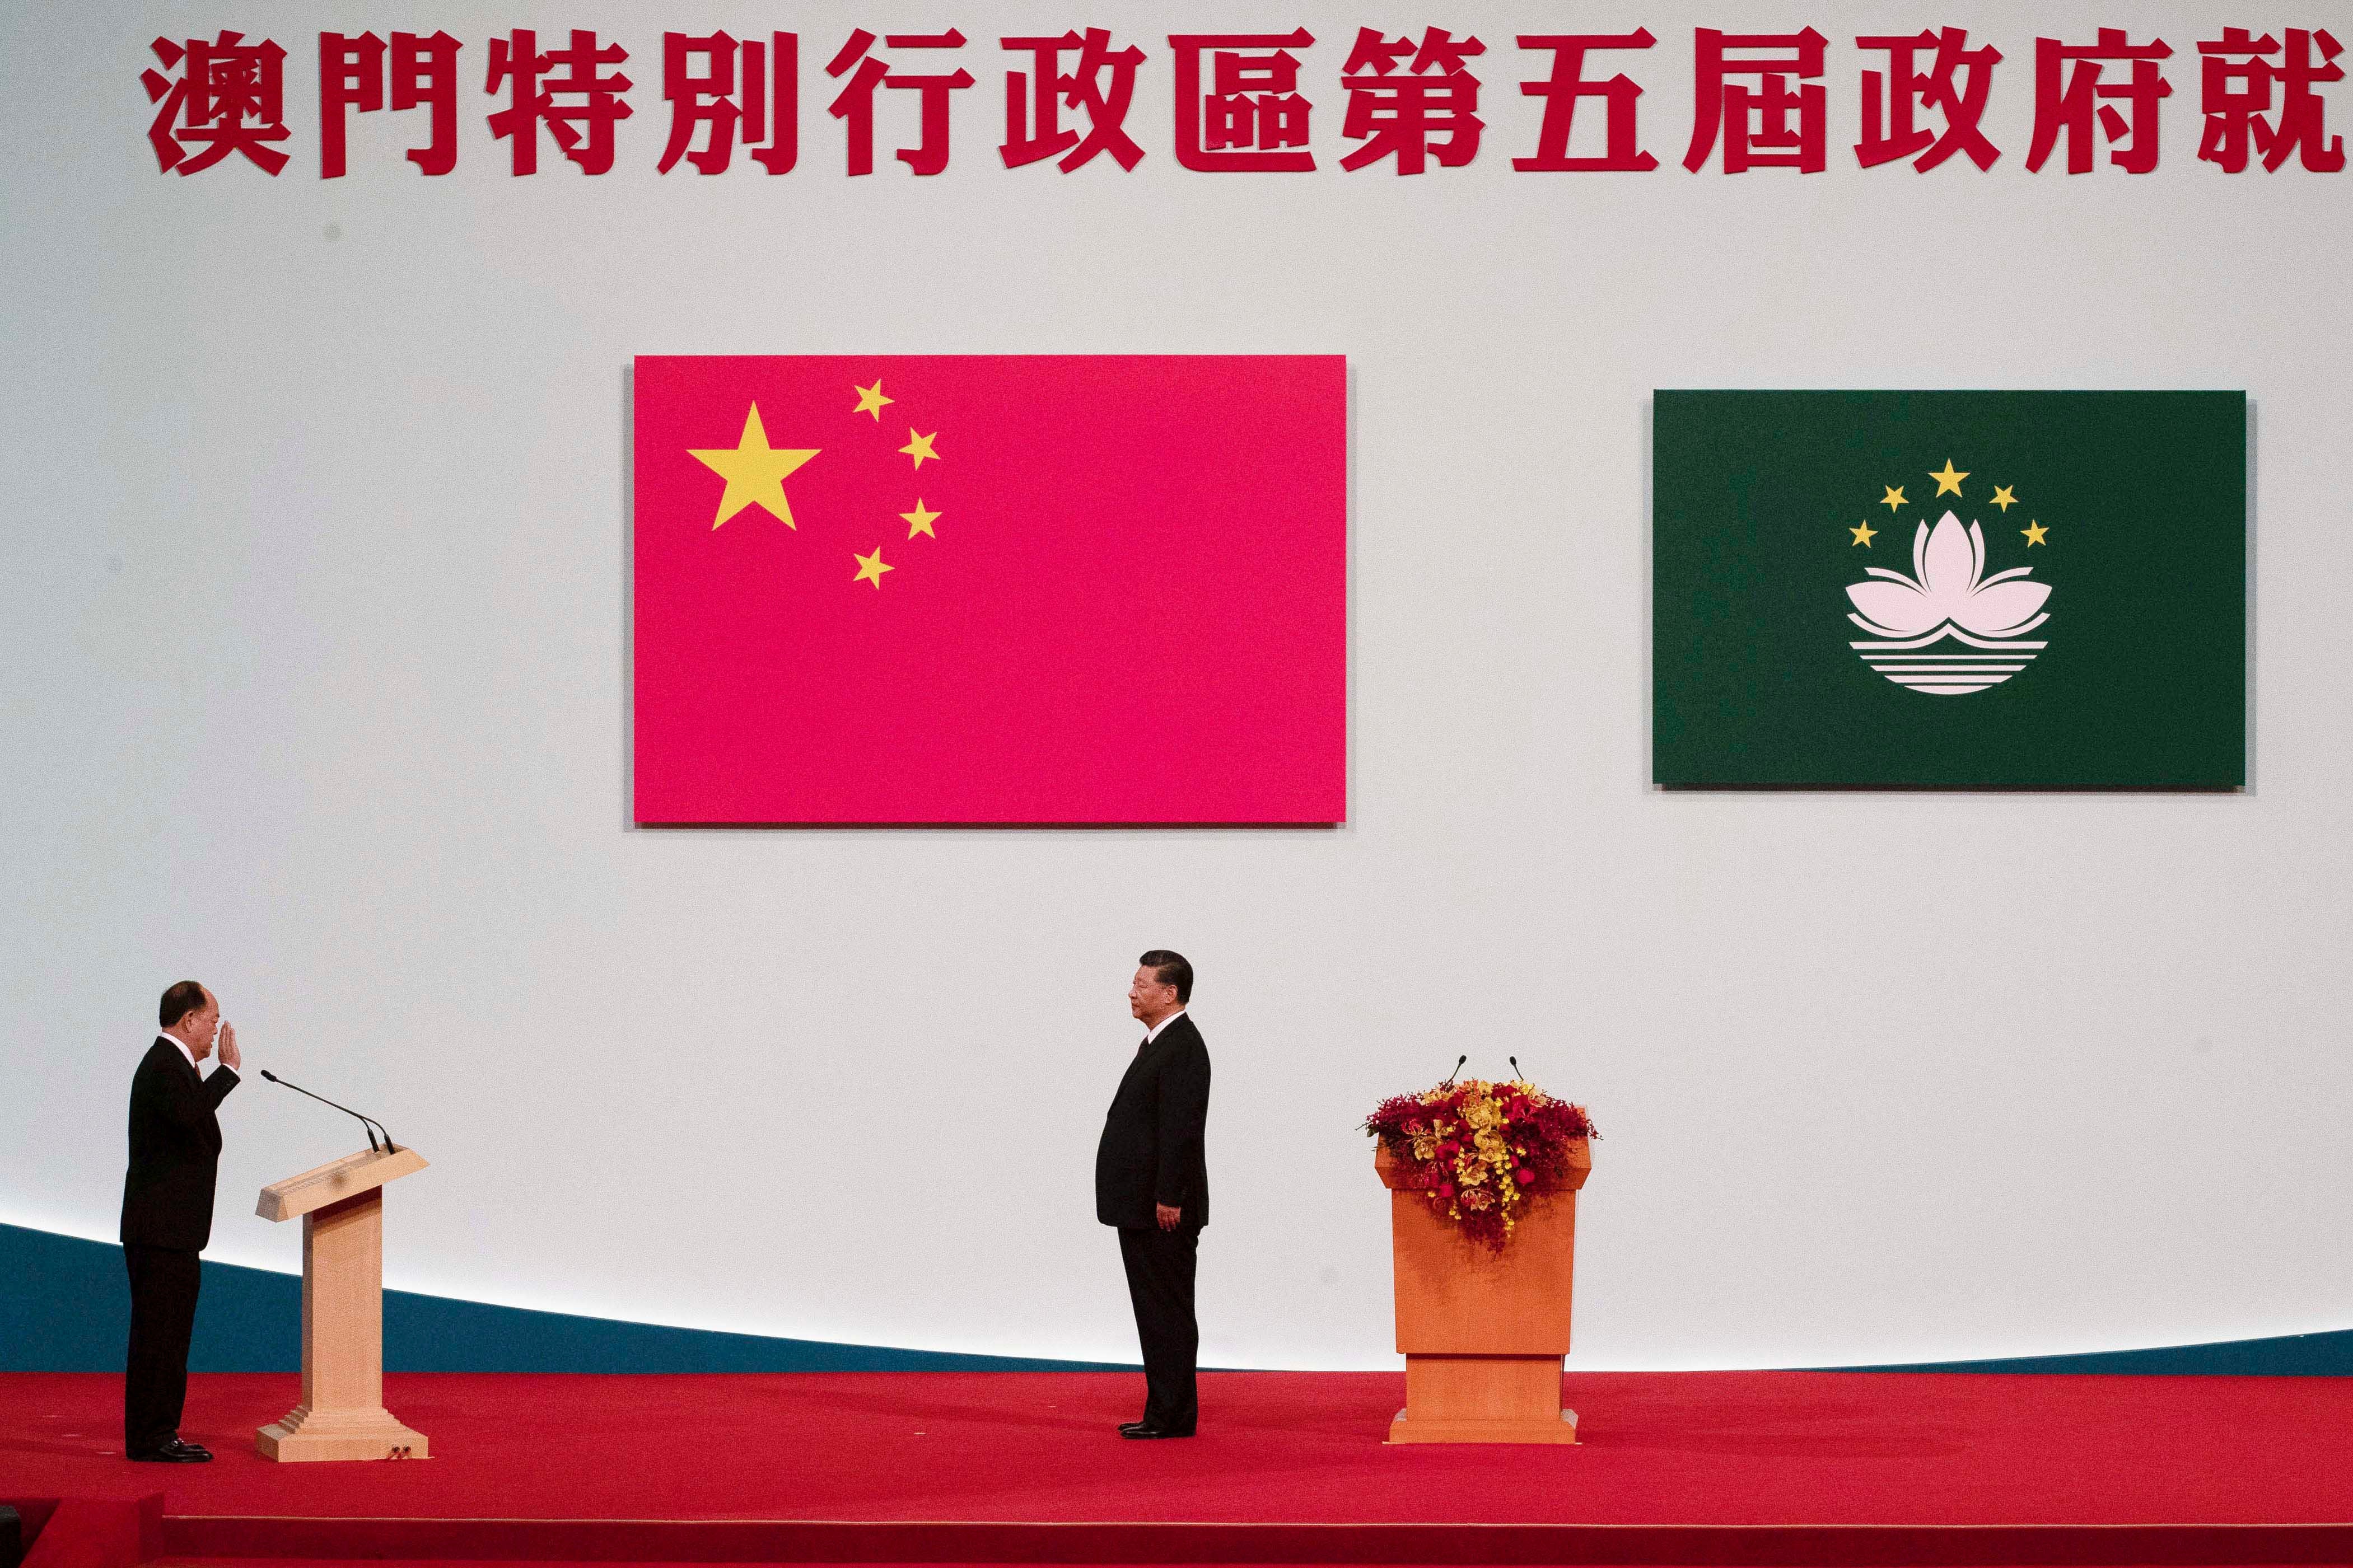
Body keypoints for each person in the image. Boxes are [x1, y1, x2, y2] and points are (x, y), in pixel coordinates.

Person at [119, 980, 240, 1463]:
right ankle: (152, 1436)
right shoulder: (163, 1066)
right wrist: (228, 1073)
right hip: (160, 1231)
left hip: (173, 1230)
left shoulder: (176, 1066)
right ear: (188, 1019)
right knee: (159, 1337)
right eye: (212, 1019)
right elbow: (190, 1116)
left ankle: (160, 1431)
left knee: (169, 1336)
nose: (216, 1030)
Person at [1094, 950, 1211, 1439]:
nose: (1131, 991)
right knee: (1156, 1309)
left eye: (1142, 984)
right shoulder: (1160, 1043)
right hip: (1145, 1205)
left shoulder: (1181, 1046)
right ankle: (1165, 1409)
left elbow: (1180, 1129)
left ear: (1169, 993)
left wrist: (1169, 1196)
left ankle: (1172, 1415)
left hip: (1162, 1209)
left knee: (1166, 1309)